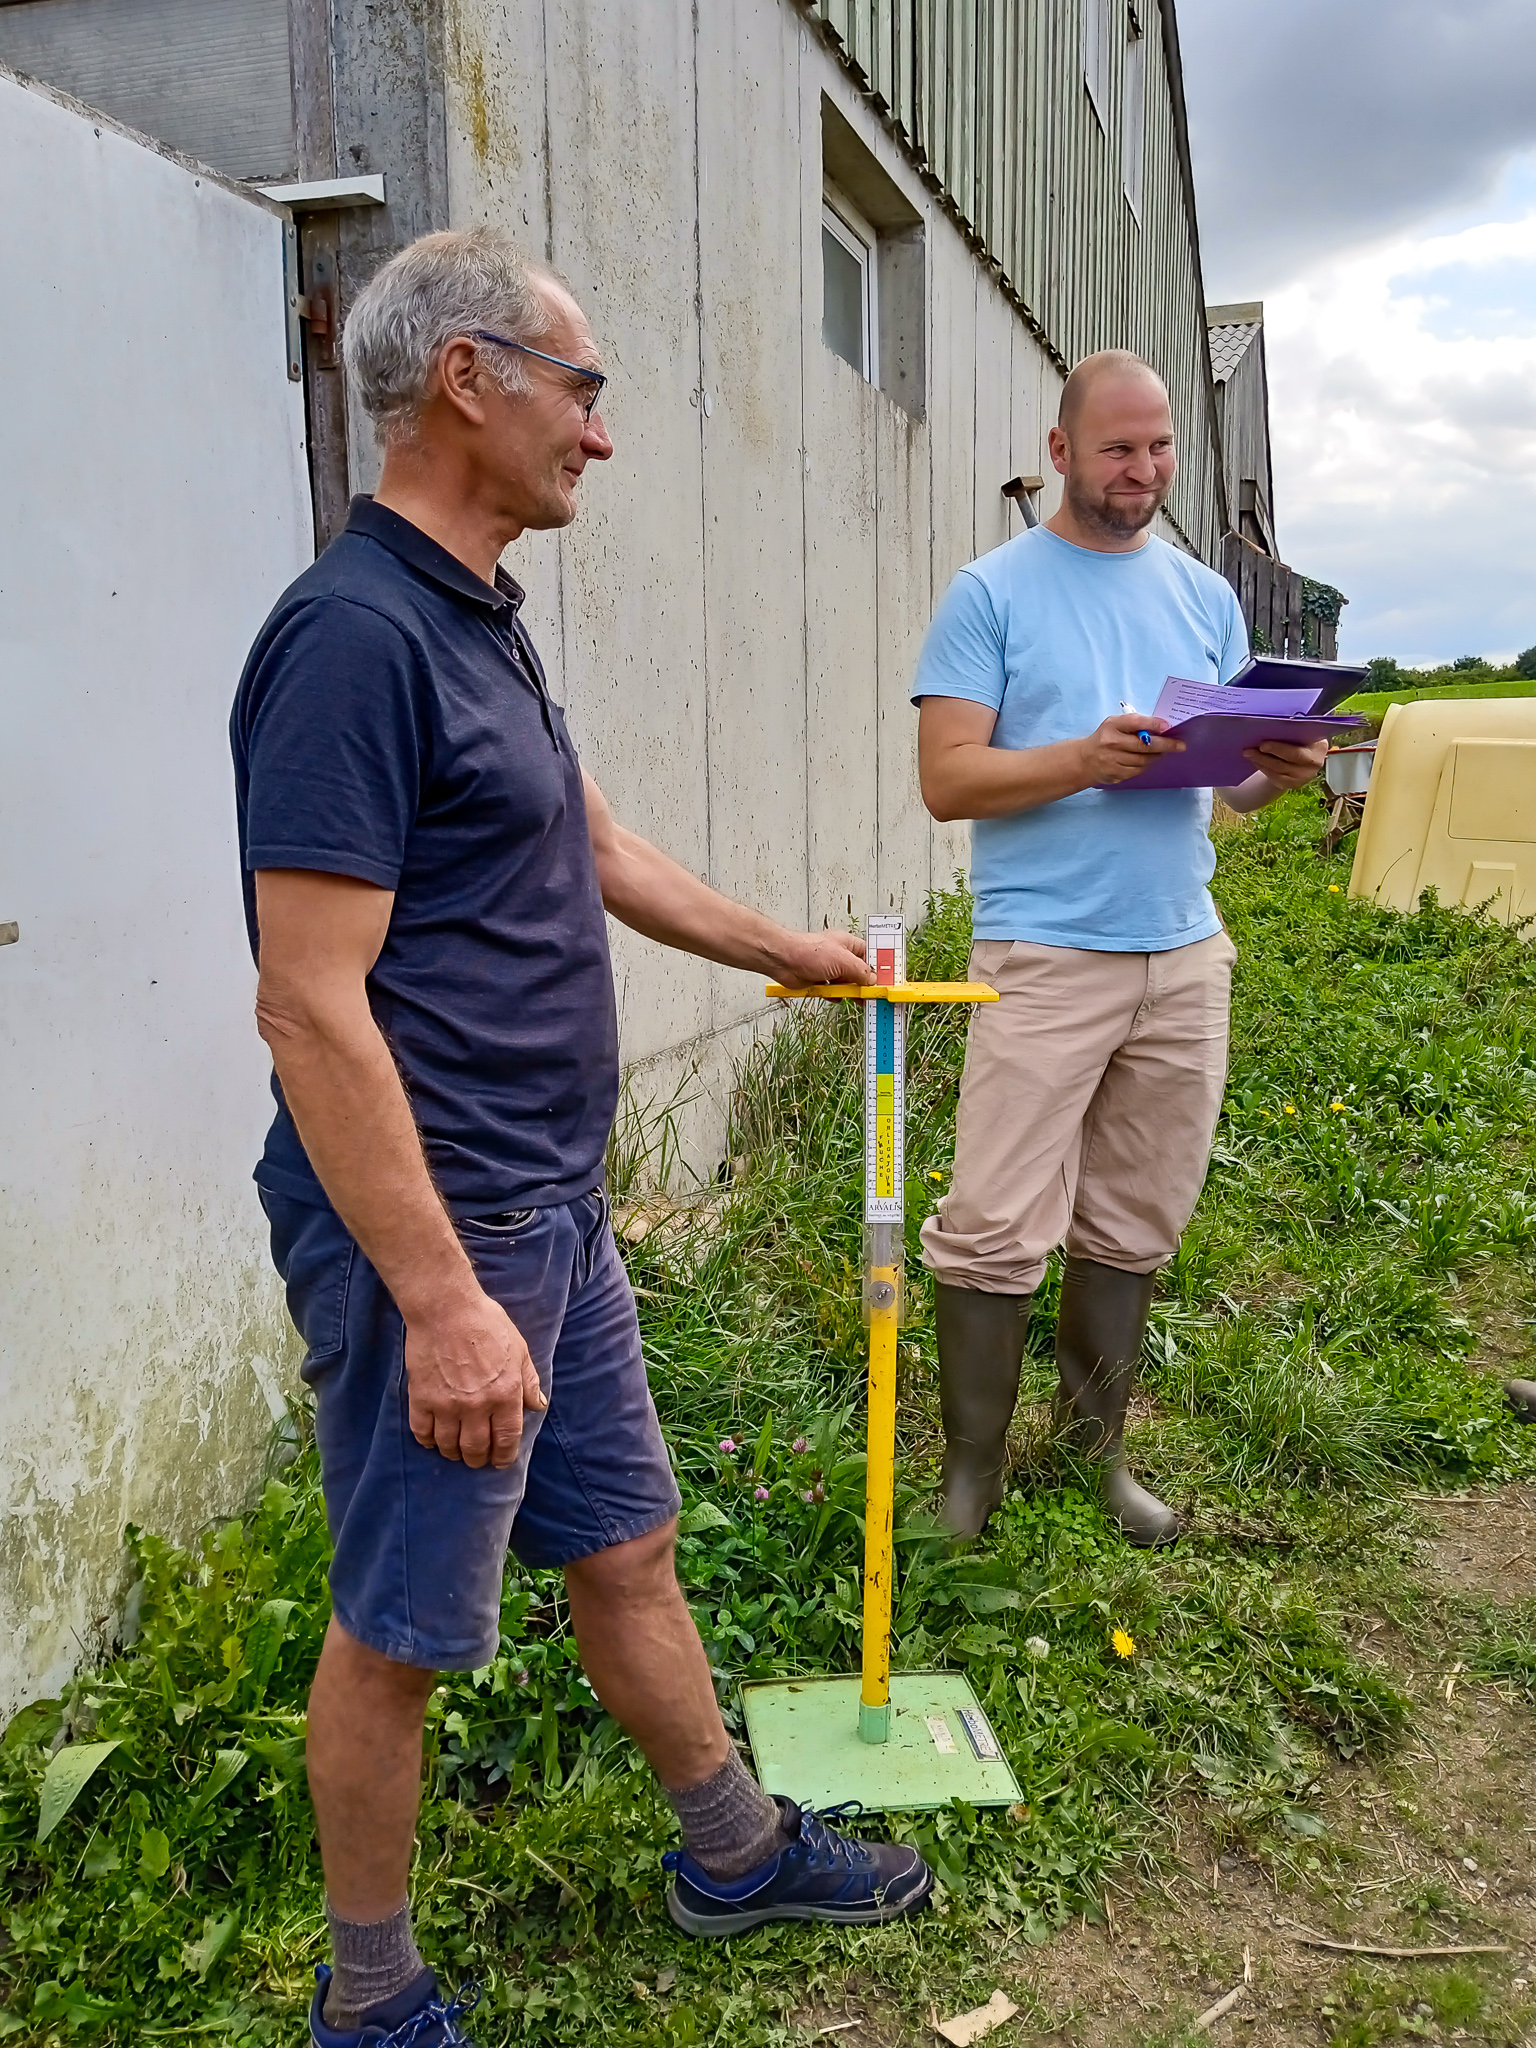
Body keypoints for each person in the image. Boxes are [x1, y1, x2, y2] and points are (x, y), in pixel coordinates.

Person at [231, 228, 931, 2048]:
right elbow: (309, 1000)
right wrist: (443, 1297)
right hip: (441, 1231)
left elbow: (592, 842)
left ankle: (731, 1846)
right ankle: (369, 2002)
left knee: (624, 1543)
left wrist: (797, 949)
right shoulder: (349, 640)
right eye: (584, 388)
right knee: (399, 1622)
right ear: (467, 380)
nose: (600, 435)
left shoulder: (473, 613)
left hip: (543, 1205)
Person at [913, 350, 1328, 1549]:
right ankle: (969, 1481)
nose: (1142, 470)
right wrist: (1083, 758)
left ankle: (1100, 1457)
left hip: (1184, 951)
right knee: (993, 1219)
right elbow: (948, 781)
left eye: (1158, 449)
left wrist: (1278, 773)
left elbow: (1236, 789)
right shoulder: (990, 593)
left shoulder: (1205, 596)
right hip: (1043, 951)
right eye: (1116, 449)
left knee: (1136, 1215)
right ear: (1060, 453)